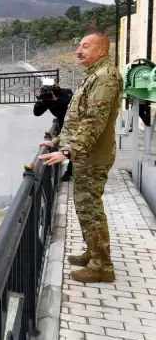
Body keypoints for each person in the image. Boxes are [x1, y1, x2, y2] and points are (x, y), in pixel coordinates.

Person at [38, 32, 123, 283]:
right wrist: (57, 142)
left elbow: (93, 121)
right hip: (86, 154)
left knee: (91, 209)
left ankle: (102, 266)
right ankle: (93, 252)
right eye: (78, 46)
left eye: (86, 46)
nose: (79, 51)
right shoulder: (94, 77)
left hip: (93, 156)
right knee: (85, 209)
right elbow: (76, 119)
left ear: (102, 51)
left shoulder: (105, 78)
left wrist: (67, 152)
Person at [33, 79, 73, 181]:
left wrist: (56, 99)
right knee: (67, 148)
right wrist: (40, 100)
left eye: (54, 84)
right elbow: (37, 113)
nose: (54, 86)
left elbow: (70, 105)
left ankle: (69, 172)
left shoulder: (66, 92)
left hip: (73, 125)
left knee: (72, 147)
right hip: (63, 126)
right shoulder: (48, 98)